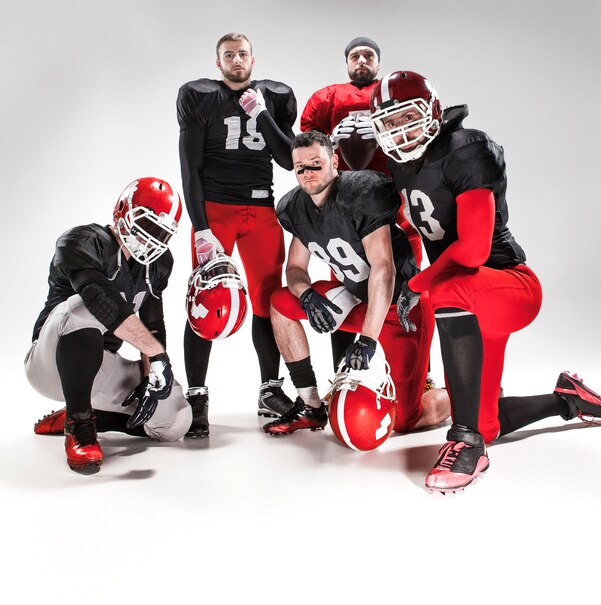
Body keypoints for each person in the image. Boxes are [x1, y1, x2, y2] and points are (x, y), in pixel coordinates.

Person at [369, 70, 601, 493]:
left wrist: (416, 285)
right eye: (388, 123)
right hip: (467, 302)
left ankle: (465, 445)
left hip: (510, 286)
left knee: (447, 290)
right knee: (488, 421)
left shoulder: (465, 149)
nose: (399, 131)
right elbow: (413, 227)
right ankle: (569, 400)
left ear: (430, 111)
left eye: (406, 116)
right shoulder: (400, 166)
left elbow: (472, 249)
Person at [263, 131, 450, 437]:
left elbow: (384, 268)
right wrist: (306, 293)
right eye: (301, 168)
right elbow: (295, 267)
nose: (308, 173)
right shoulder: (295, 207)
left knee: (404, 420)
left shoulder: (361, 193)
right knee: (281, 303)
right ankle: (310, 405)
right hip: (357, 300)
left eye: (316, 164)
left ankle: (465, 397)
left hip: (400, 308)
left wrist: (367, 339)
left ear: (334, 161)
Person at [27, 177, 192, 474]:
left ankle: (92, 417)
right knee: (82, 307)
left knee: (175, 421)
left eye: (159, 231)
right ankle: (79, 426)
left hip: (102, 365)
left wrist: (149, 377)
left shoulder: (157, 264)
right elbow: (98, 299)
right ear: (122, 210)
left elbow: (153, 325)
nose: (149, 237)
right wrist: (158, 356)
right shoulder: (84, 241)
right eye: (145, 224)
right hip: (51, 361)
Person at [177, 32, 298, 437]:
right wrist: (200, 226)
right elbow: (189, 169)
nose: (236, 60)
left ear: (253, 58)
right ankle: (196, 395)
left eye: (242, 54)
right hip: (217, 210)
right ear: (218, 63)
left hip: (261, 209)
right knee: (205, 300)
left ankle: (269, 390)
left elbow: (288, 160)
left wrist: (262, 112)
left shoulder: (276, 96)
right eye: (228, 55)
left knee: (268, 298)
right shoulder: (199, 96)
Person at [300, 37, 428, 376]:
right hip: (344, 212)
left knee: (409, 289)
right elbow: (310, 150)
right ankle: (345, 372)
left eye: (368, 55)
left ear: (378, 62)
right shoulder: (328, 97)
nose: (361, 60)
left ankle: (418, 374)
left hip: (393, 204)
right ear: (346, 63)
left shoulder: (391, 93)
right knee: (347, 295)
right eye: (355, 55)